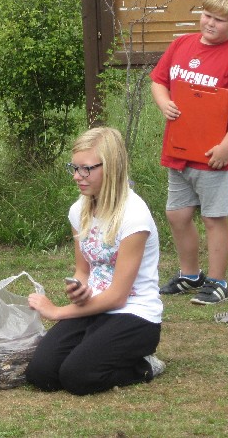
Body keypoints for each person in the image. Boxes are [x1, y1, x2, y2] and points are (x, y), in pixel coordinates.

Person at [25, 127, 164, 396]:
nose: (77, 177)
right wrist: (78, 286)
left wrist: (57, 311)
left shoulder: (134, 217)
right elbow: (83, 269)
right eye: (74, 168)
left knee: (78, 377)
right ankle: (95, 347)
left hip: (134, 315)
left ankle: (144, 365)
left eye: (86, 169)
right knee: (41, 374)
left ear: (111, 168)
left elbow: (117, 298)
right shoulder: (79, 210)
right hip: (94, 308)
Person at [150, 0, 228, 305]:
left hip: (213, 157)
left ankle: (218, 281)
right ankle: (190, 274)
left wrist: (226, 146)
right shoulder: (181, 44)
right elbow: (159, 80)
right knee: (177, 216)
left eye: (220, 20)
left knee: (214, 218)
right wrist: (163, 102)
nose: (210, 23)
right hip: (179, 151)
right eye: (207, 15)